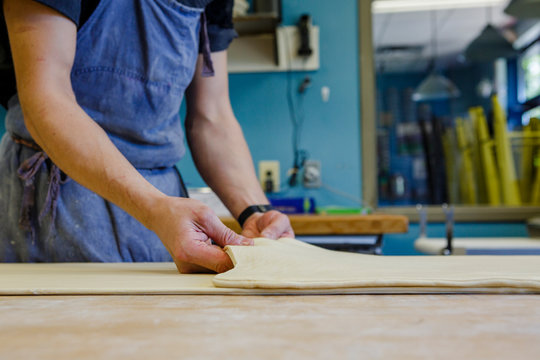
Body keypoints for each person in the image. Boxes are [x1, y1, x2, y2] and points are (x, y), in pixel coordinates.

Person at [0, 0, 294, 273]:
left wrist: (256, 212)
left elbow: (211, 116)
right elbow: (45, 101)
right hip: (59, 205)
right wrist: (154, 209)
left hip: (167, 211)